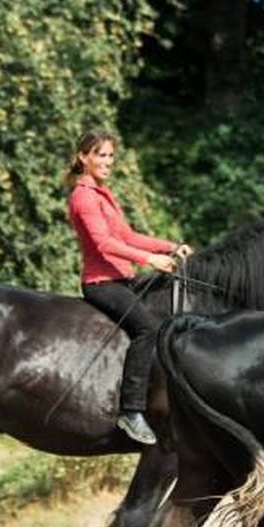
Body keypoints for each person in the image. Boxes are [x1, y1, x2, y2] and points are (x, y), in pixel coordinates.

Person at [65, 129, 192, 445]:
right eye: (101, 155)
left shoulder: (103, 194)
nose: (107, 162)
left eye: (110, 156)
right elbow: (104, 244)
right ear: (84, 157)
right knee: (148, 329)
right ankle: (132, 411)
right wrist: (151, 259)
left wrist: (170, 247)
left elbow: (127, 236)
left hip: (124, 279)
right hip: (101, 283)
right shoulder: (83, 197)